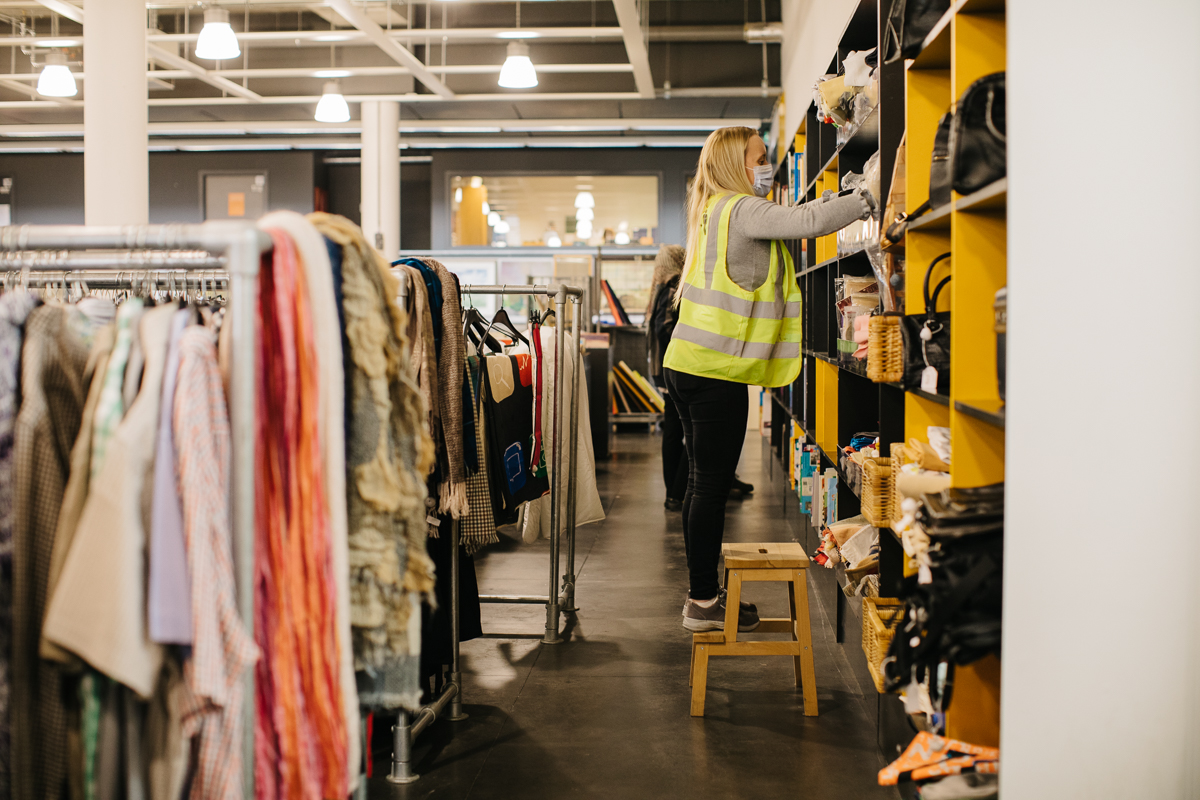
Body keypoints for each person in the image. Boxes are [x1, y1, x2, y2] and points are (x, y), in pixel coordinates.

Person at [663, 126, 875, 633]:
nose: (768, 168)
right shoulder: (742, 209)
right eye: (761, 158)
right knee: (710, 485)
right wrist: (867, 196)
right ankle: (703, 602)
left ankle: (703, 597)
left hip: (690, 362)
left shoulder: (712, 210)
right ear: (738, 162)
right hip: (714, 370)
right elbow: (807, 220)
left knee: (701, 483)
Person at [646, 244, 688, 511]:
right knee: (680, 430)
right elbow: (665, 328)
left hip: (663, 369)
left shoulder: (661, 288)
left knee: (674, 429)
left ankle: (673, 491)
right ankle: (675, 491)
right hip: (674, 368)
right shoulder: (675, 287)